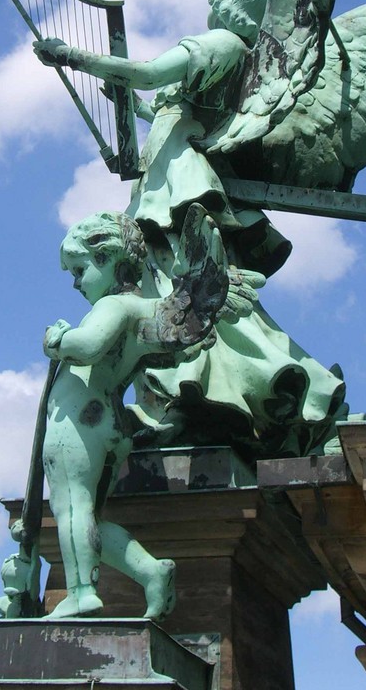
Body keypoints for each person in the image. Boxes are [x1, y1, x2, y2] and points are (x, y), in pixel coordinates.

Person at [35, 0, 346, 456]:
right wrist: (131, 105)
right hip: (165, 177)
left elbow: (151, 71)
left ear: (227, 6)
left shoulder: (221, 43)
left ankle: (239, 389)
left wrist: (75, 57)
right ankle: (195, 394)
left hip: (180, 182)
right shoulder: (230, 54)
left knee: (187, 287)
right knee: (175, 289)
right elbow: (168, 111)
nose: (209, 7)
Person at [42, 208, 225, 619]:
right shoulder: (141, 310)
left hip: (78, 425)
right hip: (108, 424)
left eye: (78, 270)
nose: (75, 283)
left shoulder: (114, 307)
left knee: (71, 509)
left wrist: (59, 339)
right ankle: (149, 571)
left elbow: (88, 346)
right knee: (88, 517)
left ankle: (80, 592)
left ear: (108, 260)